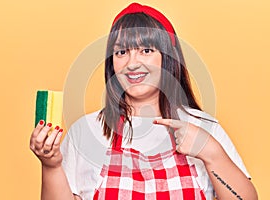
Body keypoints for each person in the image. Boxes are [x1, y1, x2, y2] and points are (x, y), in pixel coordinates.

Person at [30, 3, 258, 200]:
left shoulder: (204, 127)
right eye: (121, 52)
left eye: (146, 50)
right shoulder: (86, 131)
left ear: (168, 58)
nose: (132, 63)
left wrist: (211, 152)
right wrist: (51, 165)